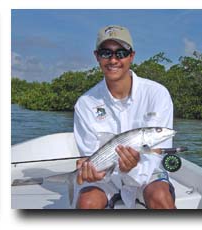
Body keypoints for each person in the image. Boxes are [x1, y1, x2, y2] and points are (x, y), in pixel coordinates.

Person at [72, 25, 175, 209]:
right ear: (97, 56)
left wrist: (132, 168)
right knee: (86, 203)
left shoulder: (157, 94)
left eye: (120, 53)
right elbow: (91, 154)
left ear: (131, 56)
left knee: (160, 197)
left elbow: (156, 156)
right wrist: (93, 172)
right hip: (106, 176)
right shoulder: (85, 103)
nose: (113, 60)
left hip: (147, 171)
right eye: (106, 53)